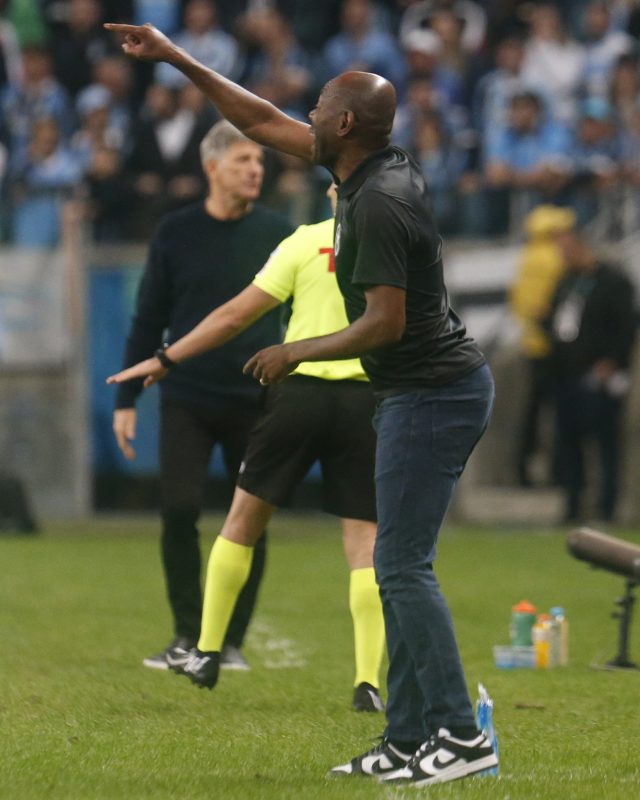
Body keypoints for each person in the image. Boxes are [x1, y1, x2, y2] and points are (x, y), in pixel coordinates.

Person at [104, 20, 498, 787]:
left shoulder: (379, 201)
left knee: (404, 567)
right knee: (392, 565)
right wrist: (177, 55)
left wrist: (295, 350)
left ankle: (458, 734)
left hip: (434, 392)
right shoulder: (361, 166)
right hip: (410, 391)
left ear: (345, 124)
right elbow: (254, 116)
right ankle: (409, 738)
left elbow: (384, 321)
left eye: (319, 106)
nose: (307, 114)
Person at [110, 184, 386, 712]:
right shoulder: (397, 248)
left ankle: (208, 650)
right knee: (364, 544)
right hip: (364, 402)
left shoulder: (303, 242)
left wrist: (165, 359)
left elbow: (234, 316)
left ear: (334, 195)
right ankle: (367, 681)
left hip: (298, 392)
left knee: (241, 522)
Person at [112, 119, 293, 672]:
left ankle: (230, 640)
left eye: (259, 162)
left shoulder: (279, 233)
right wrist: (126, 399)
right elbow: (150, 318)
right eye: (243, 161)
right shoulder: (175, 231)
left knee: (249, 521)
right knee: (178, 509)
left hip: (255, 397)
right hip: (187, 396)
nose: (255, 170)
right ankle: (187, 634)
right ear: (211, 166)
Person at [547, 224, 636, 524]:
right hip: (565, 375)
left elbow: (625, 326)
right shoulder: (566, 281)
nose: (564, 255)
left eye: (568, 249)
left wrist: (611, 361)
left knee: (605, 443)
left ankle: (606, 508)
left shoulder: (613, 282)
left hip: (598, 376)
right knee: (568, 443)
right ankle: (571, 506)